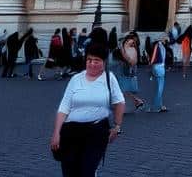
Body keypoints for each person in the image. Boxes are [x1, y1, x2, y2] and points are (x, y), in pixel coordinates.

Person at [50, 43, 124, 177]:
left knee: (87, 171)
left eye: (96, 60)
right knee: (69, 172)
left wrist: (117, 127)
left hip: (96, 131)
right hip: (71, 131)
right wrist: (56, 133)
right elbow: (64, 108)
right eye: (89, 60)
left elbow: (119, 102)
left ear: (104, 62)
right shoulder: (75, 79)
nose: (92, 64)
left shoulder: (109, 78)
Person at [115, 33, 145, 112]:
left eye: (131, 41)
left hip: (126, 71)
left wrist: (123, 51)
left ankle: (136, 101)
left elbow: (131, 62)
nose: (130, 42)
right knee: (122, 89)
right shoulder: (128, 48)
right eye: (128, 40)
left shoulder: (131, 49)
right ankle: (136, 101)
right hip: (124, 70)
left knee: (122, 89)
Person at [148, 36, 168, 112]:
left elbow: (152, 57)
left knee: (158, 87)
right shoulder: (158, 45)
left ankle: (160, 105)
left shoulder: (154, 44)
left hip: (155, 67)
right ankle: (156, 107)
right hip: (159, 67)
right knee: (159, 88)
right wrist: (151, 63)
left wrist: (151, 65)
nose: (166, 39)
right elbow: (154, 57)